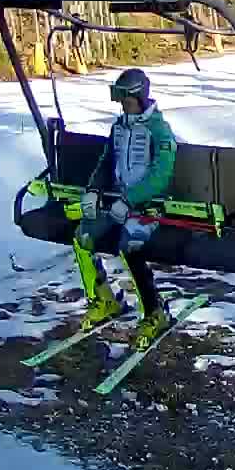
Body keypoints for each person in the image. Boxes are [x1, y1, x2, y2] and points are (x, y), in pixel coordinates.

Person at [74, 68, 178, 349]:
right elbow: (107, 162)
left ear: (140, 97)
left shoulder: (159, 130)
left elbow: (160, 176)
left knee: (129, 243)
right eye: (120, 101)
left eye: (127, 100)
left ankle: (154, 311)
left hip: (149, 206)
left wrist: (131, 199)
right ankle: (103, 298)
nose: (123, 106)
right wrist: (94, 190)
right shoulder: (119, 127)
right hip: (118, 201)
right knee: (83, 236)